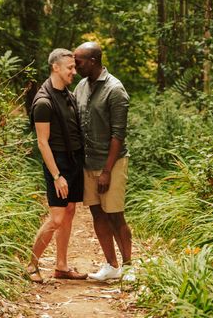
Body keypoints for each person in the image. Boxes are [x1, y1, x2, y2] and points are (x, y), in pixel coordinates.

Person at [26, 48, 87, 283]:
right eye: (70, 68)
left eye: (74, 67)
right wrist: (56, 175)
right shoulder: (43, 102)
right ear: (55, 67)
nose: (74, 71)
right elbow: (42, 143)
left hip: (73, 161)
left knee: (70, 212)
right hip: (57, 163)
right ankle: (31, 264)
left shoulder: (66, 94)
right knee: (57, 218)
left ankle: (61, 266)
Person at [73, 42, 133, 281]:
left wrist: (107, 171)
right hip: (88, 162)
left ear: (93, 61)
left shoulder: (115, 90)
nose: (75, 66)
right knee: (97, 214)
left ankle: (128, 267)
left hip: (112, 163)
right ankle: (111, 265)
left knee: (115, 214)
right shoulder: (81, 86)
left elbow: (118, 134)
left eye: (79, 62)